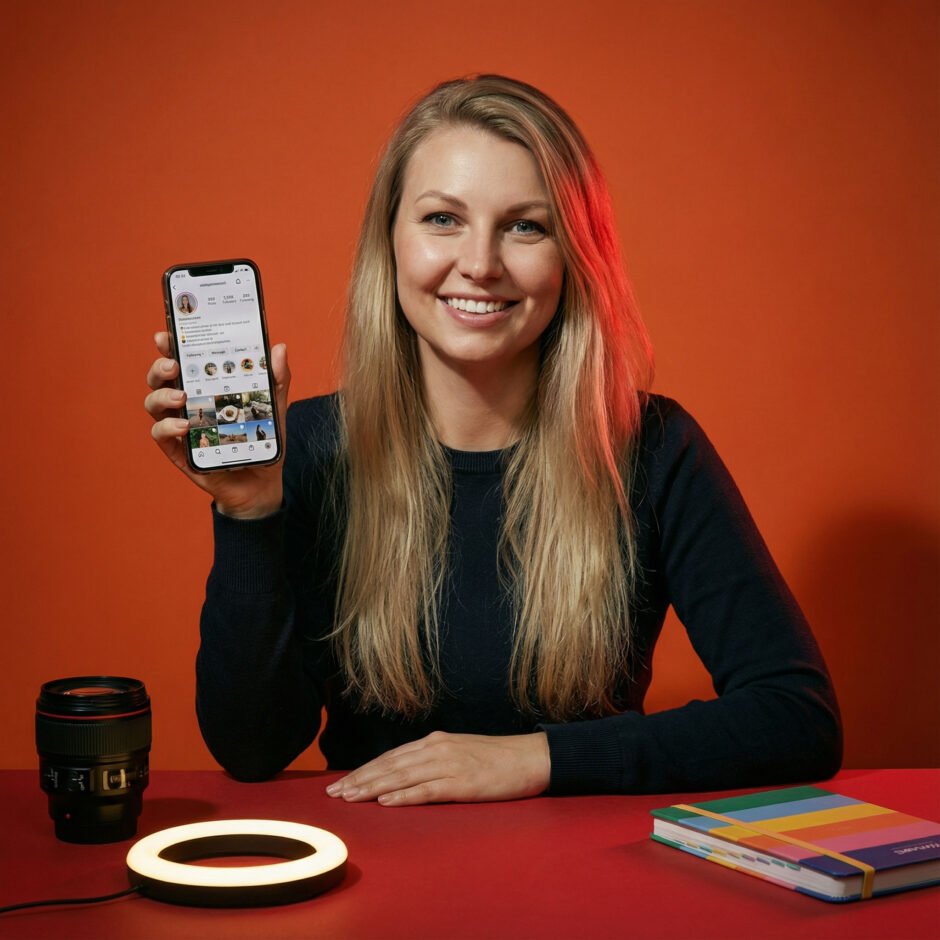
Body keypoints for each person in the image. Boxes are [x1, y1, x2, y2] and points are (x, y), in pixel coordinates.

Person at [145, 75, 841, 804]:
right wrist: (250, 513)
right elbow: (253, 748)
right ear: (390, 241)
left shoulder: (654, 449)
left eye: (526, 227)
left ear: (574, 257)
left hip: (584, 864)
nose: (480, 264)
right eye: (443, 219)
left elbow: (797, 717)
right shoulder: (314, 447)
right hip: (374, 857)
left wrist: (537, 759)